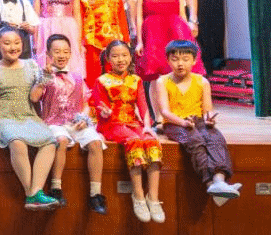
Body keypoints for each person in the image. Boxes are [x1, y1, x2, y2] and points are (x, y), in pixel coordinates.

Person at [0, 27, 59, 211]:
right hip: (2, 116)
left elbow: (34, 98)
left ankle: (35, 191)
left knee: (50, 142)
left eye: (17, 43)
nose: (13, 47)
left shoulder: (31, 65)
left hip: (27, 115)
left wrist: (44, 79)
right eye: (7, 43)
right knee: (17, 142)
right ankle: (31, 194)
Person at [156, 40, 241, 205]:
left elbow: (207, 110)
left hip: (198, 120)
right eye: (175, 59)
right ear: (168, 60)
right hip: (174, 123)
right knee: (195, 141)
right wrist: (182, 123)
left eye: (185, 59)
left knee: (215, 138)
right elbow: (165, 112)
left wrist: (210, 120)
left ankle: (220, 181)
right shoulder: (162, 81)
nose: (180, 64)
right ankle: (211, 184)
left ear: (194, 60)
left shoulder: (202, 81)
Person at [91, 41, 164, 223]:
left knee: (152, 142)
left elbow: (143, 105)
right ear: (108, 59)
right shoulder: (102, 81)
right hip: (111, 124)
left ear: (131, 57)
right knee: (134, 142)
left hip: (133, 123)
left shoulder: (136, 80)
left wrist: (147, 126)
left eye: (124, 55)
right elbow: (100, 109)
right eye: (115, 56)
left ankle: (153, 198)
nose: (120, 59)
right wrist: (105, 112)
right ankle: (138, 196)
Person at [37, 34, 107, 213]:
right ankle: (56, 189)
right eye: (57, 51)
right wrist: (43, 79)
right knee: (60, 140)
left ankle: (95, 194)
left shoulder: (77, 77)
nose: (61, 55)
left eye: (65, 51)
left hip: (75, 123)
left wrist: (83, 118)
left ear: (70, 53)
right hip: (53, 123)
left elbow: (86, 103)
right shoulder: (44, 76)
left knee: (95, 142)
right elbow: (34, 98)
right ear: (48, 54)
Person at [135, 0, 206, 120]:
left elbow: (182, 14)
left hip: (175, 33)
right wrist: (139, 41)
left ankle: (180, 114)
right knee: (155, 76)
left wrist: (187, 38)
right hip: (153, 37)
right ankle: (159, 118)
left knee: (179, 72)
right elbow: (139, 18)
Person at [78, 0, 130, 88]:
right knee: (93, 75)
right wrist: (80, 41)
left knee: (113, 73)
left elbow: (121, 18)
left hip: (113, 40)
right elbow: (79, 19)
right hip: (91, 42)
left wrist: (126, 40)